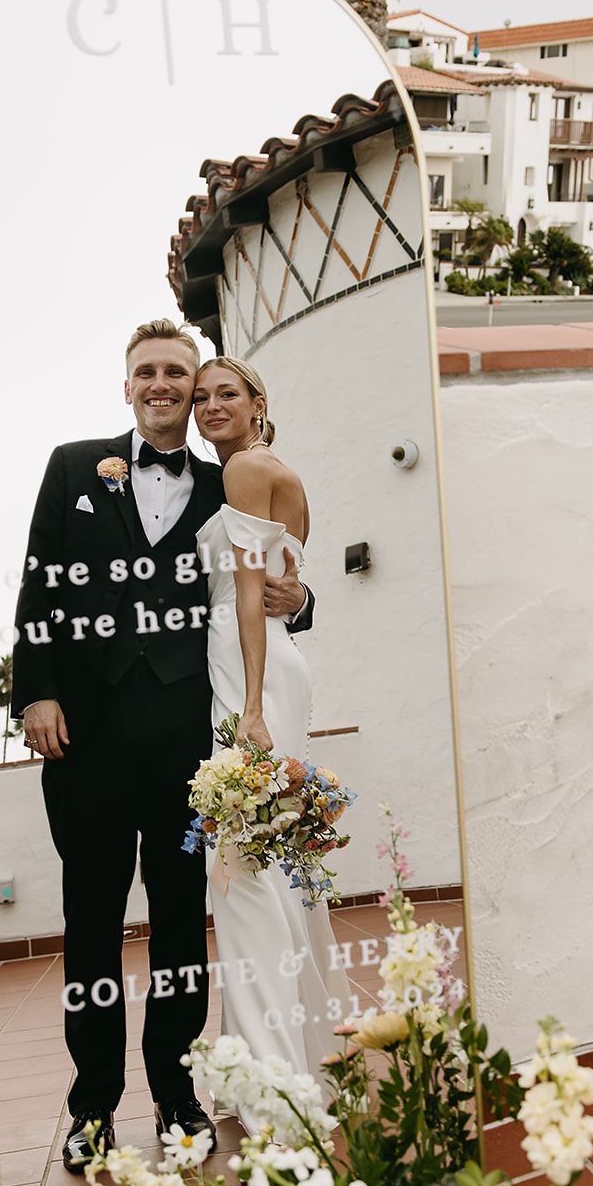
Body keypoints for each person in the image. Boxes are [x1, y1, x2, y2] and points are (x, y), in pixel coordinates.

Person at [10, 319, 311, 1171]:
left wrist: (304, 595)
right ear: (128, 386)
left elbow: (269, 577)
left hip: (189, 750)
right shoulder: (73, 467)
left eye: (177, 372)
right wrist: (35, 688)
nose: (164, 384)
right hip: (88, 745)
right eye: (148, 372)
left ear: (194, 386)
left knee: (182, 923)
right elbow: (41, 580)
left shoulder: (233, 481)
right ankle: (92, 1106)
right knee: (90, 924)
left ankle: (179, 1097)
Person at [192, 357, 350, 1123]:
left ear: (259, 404)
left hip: (247, 667)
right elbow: (285, 583)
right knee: (270, 861)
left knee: (246, 867)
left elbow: (253, 592)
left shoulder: (247, 468)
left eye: (227, 393)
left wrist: (249, 707)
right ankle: (282, 1056)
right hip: (261, 656)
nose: (210, 405)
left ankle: (274, 1087)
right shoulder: (263, 469)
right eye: (200, 397)